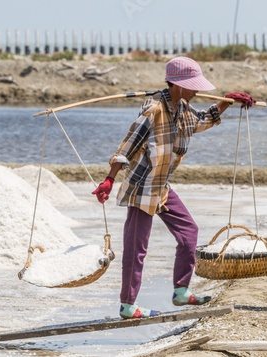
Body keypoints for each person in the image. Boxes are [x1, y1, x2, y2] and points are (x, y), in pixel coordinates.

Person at [92, 57, 256, 319]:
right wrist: (109, 179)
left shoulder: (184, 109)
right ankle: (127, 305)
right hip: (141, 188)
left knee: (188, 231)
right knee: (137, 248)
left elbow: (202, 120)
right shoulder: (153, 108)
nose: (196, 91)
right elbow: (129, 145)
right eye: (192, 86)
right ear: (178, 85)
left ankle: (181, 290)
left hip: (162, 187)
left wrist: (227, 102)